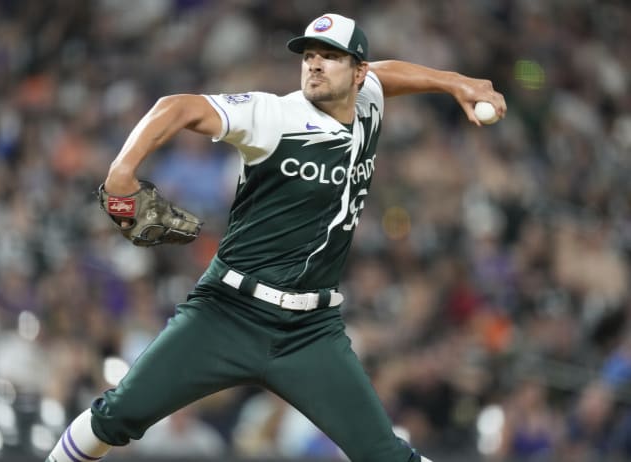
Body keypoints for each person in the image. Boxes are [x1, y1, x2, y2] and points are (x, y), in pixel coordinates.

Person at [45, 13, 506, 462]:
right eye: (309, 55)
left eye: (331, 56)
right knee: (118, 415)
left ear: (358, 72)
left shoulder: (369, 100)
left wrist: (453, 82)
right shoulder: (274, 115)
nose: (315, 64)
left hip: (310, 331)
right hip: (227, 312)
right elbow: (177, 106)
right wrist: (122, 170)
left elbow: (388, 75)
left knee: (384, 453)